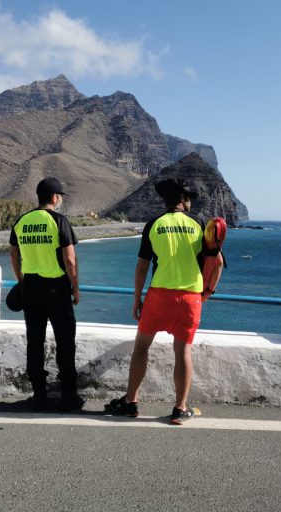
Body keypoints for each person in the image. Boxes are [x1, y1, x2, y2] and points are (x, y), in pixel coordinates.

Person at [106, 179, 221, 425]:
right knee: (183, 351)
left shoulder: (154, 225)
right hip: (190, 297)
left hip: (158, 295)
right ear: (182, 199)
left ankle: (131, 402)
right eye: (188, 197)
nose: (191, 201)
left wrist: (137, 300)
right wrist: (208, 291)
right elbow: (217, 262)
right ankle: (180, 409)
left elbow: (141, 267)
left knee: (141, 348)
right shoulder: (199, 223)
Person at [9, 177, 83, 412]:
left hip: (30, 288)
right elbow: (70, 260)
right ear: (54, 198)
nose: (59, 199)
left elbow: (13, 255)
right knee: (65, 343)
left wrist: (22, 281)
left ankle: (39, 395)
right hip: (56, 289)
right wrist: (76, 287)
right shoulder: (58, 221)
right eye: (59, 195)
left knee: (35, 342)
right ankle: (68, 396)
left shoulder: (22, 221)